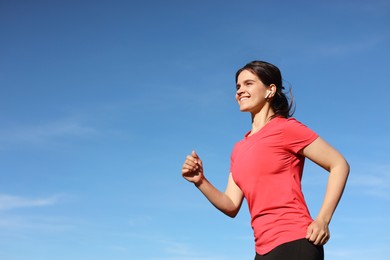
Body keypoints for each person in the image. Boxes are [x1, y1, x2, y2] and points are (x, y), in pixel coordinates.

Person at [181, 60, 350, 260]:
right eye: (237, 86)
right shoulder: (238, 149)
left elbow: (339, 164)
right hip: (262, 249)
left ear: (270, 90)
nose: (239, 91)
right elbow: (231, 204)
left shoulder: (286, 129)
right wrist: (201, 181)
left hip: (295, 241)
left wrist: (323, 219)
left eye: (248, 84)